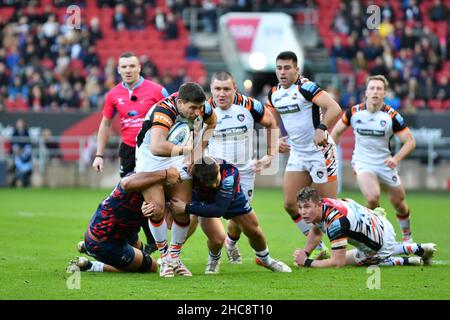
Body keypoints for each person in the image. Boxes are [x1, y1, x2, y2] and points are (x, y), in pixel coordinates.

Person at [195, 71, 278, 264]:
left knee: (240, 217)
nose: (221, 93)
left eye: (226, 89)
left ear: (235, 89)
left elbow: (271, 123)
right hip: (214, 173)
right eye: (217, 89)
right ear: (211, 90)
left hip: (244, 171)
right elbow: (195, 140)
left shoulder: (250, 105)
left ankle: (230, 243)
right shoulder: (204, 110)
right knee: (203, 216)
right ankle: (180, 255)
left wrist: (270, 155)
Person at [135, 82, 217, 277]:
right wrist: (189, 150)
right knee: (156, 208)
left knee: (183, 208)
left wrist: (198, 151)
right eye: (193, 108)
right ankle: (164, 259)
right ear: (180, 103)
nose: (198, 112)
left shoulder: (201, 106)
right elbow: (157, 146)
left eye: (200, 108)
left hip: (177, 153)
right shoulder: (165, 110)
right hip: (151, 157)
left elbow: (212, 122)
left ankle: (174, 257)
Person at [266, 51, 342, 258]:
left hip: (320, 152)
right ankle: (318, 247)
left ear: (297, 69)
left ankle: (349, 246)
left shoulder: (306, 87)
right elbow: (271, 121)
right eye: (279, 68)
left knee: (327, 208)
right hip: (298, 153)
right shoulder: (274, 93)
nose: (282, 72)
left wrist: (322, 128)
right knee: (290, 204)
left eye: (287, 67)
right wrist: (276, 140)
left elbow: (334, 107)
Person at [92, 52, 169, 254]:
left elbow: (173, 116)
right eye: (124, 67)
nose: (128, 70)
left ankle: (158, 241)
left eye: (131, 66)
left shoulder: (157, 90)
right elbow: (105, 123)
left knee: (155, 195)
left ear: (139, 68)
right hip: (128, 151)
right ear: (118, 69)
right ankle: (137, 239)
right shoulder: (113, 95)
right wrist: (99, 154)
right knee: (130, 197)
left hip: (151, 150)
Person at [169, 156, 292, 274]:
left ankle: (265, 260)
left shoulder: (230, 172)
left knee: (254, 232)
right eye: (209, 184)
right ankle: (214, 259)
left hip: (230, 200)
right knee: (217, 239)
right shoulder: (190, 174)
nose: (214, 185)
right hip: (205, 202)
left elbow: (219, 209)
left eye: (216, 180)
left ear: (218, 168)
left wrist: (186, 208)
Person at [331, 75, 416, 242]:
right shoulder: (354, 112)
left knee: (399, 203)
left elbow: (410, 142)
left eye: (379, 89)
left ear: (384, 93)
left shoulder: (391, 116)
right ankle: (378, 237)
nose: (375, 92)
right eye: (372, 88)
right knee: (372, 197)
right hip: (363, 163)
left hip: (385, 164)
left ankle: (407, 238)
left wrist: (396, 159)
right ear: (366, 92)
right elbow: (336, 132)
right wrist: (331, 152)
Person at [67, 167, 181, 273]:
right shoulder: (137, 180)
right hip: (104, 241)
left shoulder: (151, 183)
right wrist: (166, 173)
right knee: (152, 266)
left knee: (141, 249)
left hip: (121, 232)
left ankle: (88, 248)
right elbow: (126, 183)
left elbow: (169, 223)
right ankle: (91, 265)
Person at [292, 187, 436, 268]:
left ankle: (404, 261)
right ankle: (417, 248)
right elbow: (316, 231)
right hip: (381, 222)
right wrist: (306, 252)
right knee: (361, 248)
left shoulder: (335, 223)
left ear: (317, 205)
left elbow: (338, 262)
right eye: (300, 207)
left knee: (353, 259)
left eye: (307, 207)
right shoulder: (325, 204)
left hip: (379, 243)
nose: (303, 212)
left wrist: (307, 262)